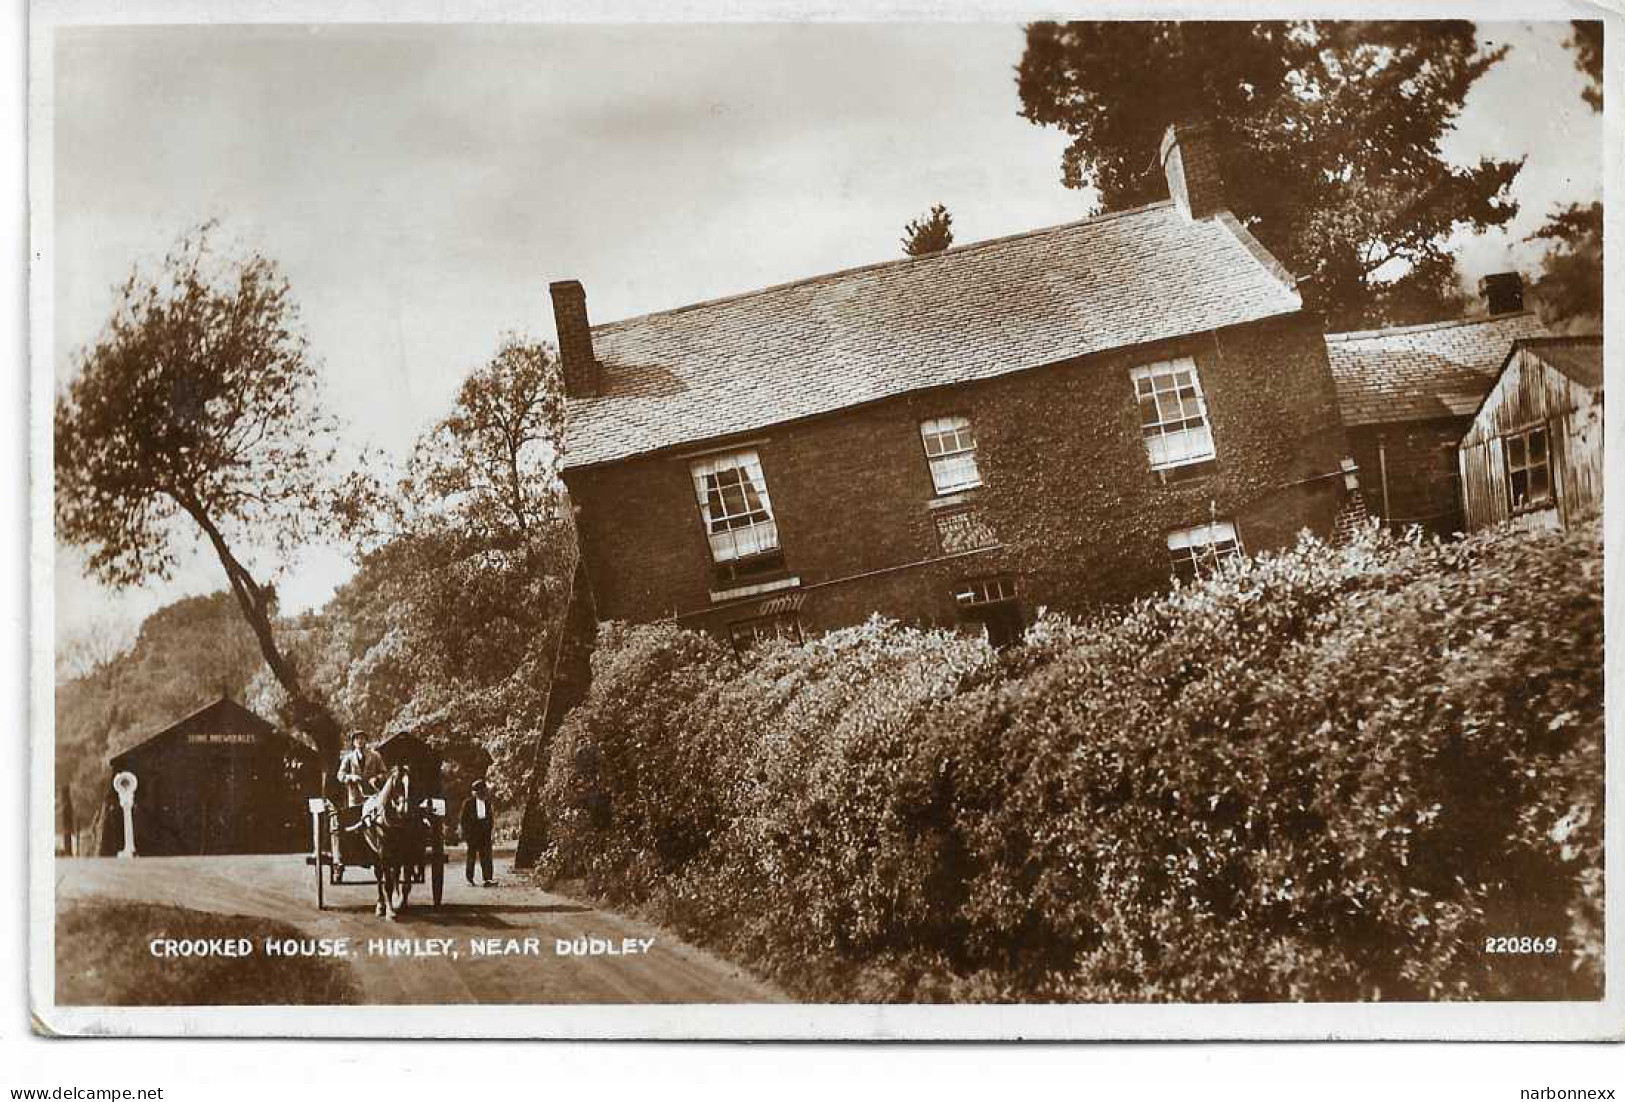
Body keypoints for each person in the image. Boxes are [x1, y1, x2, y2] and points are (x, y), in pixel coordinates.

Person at [459, 779, 496, 887]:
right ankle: (470, 878)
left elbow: (490, 818)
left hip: (484, 832)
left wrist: (489, 830)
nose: (484, 793)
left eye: (485, 791)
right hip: (473, 833)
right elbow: (463, 820)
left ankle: (488, 878)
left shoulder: (487, 803)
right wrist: (467, 833)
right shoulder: (468, 803)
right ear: (477, 792)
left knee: (486, 856)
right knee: (471, 857)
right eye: (482, 791)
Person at [336, 731, 386, 807]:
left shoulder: (375, 756)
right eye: (357, 739)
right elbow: (340, 775)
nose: (359, 741)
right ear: (353, 742)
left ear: (366, 740)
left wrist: (376, 778)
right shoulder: (348, 757)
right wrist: (351, 777)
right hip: (355, 798)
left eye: (362, 738)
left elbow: (384, 773)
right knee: (355, 818)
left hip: (373, 796)